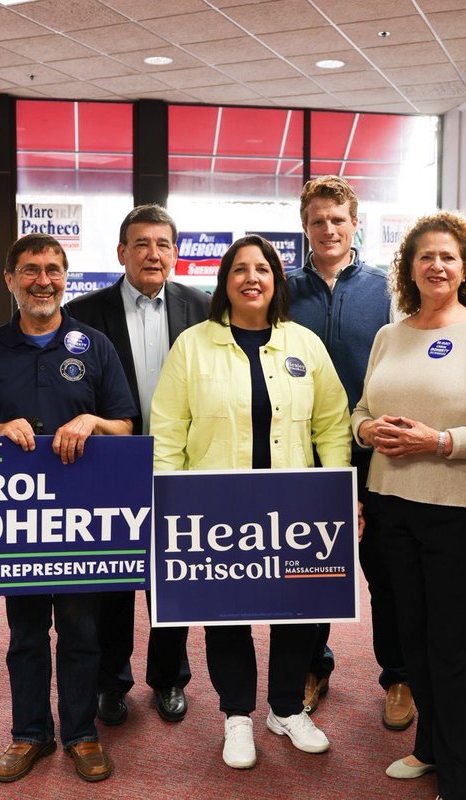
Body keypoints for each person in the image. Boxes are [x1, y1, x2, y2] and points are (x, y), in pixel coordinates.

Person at [150, 234, 350, 770]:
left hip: (296, 507)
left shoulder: (304, 345)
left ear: (276, 281)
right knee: (226, 614)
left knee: (298, 610)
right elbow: (168, 430)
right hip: (217, 507)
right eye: (239, 269)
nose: (251, 278)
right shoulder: (192, 345)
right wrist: (168, 498)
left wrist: (334, 491)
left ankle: (286, 709)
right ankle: (237, 715)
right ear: (225, 282)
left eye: (262, 269)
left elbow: (333, 424)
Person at [0, 233, 136, 785]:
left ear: (65, 278)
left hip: (80, 523)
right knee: (25, 634)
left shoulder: (94, 346)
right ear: (9, 280)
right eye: (31, 270)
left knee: (81, 632)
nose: (43, 280)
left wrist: (92, 422)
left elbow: (125, 425)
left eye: (54, 269)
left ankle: (81, 734)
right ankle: (29, 733)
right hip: (15, 525)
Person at [351, 212, 466, 800]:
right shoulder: (389, 336)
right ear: (409, 268)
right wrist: (369, 430)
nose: (437, 265)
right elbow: (358, 412)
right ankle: (429, 746)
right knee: (413, 636)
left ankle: (460, 770)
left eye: (448, 256)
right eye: (425, 256)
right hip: (391, 509)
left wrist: (441, 442)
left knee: (457, 646)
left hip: (463, 515)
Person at [65, 204, 209, 727]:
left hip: (183, 463)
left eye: (163, 244)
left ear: (175, 253)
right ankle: (112, 679)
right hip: (109, 463)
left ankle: (169, 677)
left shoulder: (204, 306)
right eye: (141, 243)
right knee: (114, 579)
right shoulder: (84, 312)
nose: (153, 253)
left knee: (174, 574)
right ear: (122, 252)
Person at [285, 176, 407, 728]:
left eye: (338, 219)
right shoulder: (283, 291)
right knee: (309, 568)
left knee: (385, 569)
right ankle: (313, 666)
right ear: (305, 227)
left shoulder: (388, 290)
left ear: (355, 222)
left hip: (376, 448)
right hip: (303, 452)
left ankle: (398, 676)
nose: (327, 229)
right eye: (317, 220)